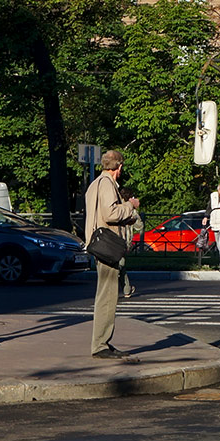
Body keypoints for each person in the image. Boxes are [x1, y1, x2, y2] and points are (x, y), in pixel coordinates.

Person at [85, 149, 139, 360]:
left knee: (106, 294)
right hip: (107, 246)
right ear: (119, 167)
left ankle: (102, 342)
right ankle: (100, 345)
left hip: (100, 244)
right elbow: (110, 213)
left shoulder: (94, 184)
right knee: (107, 296)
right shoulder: (107, 184)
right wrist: (130, 206)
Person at [117, 187, 140, 298]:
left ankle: (127, 289)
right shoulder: (129, 208)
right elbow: (139, 226)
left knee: (120, 264)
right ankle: (125, 289)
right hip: (123, 241)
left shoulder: (115, 205)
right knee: (120, 265)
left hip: (113, 240)